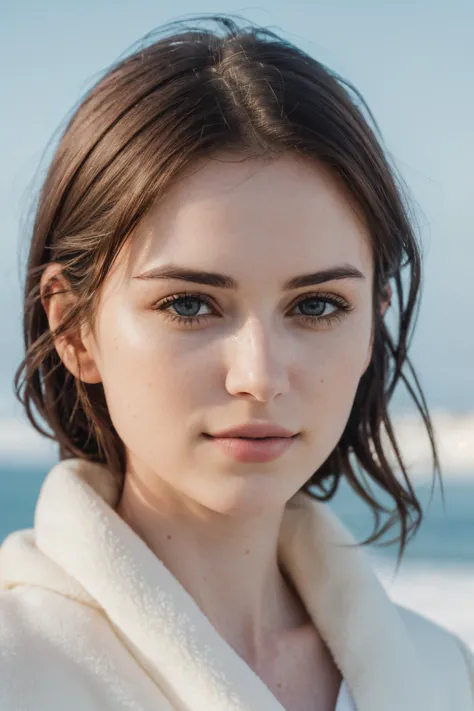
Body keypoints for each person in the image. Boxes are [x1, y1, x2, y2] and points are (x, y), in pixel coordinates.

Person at [0, 13, 472, 711]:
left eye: (315, 306)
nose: (258, 375)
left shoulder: (444, 674)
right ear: (73, 327)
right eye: (190, 304)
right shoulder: (18, 667)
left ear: (374, 319)